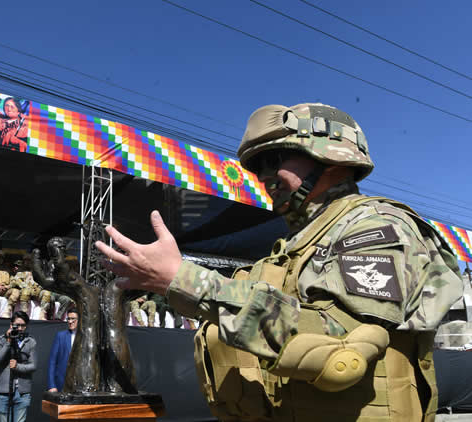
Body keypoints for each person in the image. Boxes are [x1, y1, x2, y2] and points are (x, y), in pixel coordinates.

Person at [96, 103, 464, 421]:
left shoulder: (375, 226)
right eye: (258, 167)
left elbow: (341, 345)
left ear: (330, 155)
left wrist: (185, 280)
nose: (265, 176)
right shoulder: (293, 248)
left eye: (274, 159)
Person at [0, 311, 37, 422]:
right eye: (17, 325)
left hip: (22, 392)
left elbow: (34, 365)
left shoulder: (30, 341)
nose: (20, 328)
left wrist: (18, 366)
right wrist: (8, 342)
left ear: (26, 326)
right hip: (3, 391)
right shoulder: (1, 340)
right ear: (11, 325)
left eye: (23, 325)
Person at [47, 310, 79, 392]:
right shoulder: (61, 336)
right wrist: (51, 385)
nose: (70, 321)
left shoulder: (86, 337)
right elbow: (52, 361)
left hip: (81, 384)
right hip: (62, 384)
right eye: (68, 319)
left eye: (73, 319)